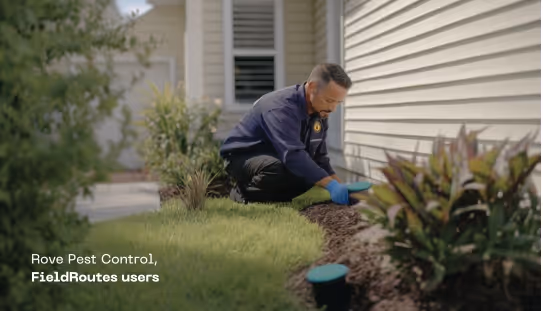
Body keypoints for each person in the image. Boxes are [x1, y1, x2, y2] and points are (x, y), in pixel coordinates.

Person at [219, 63, 352, 205]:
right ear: (313, 87)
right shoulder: (281, 107)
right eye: (329, 100)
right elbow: (292, 154)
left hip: (276, 156)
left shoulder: (320, 110)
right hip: (243, 156)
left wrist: (339, 185)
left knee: (311, 174)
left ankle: (274, 197)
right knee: (282, 169)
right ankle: (243, 193)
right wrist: (330, 185)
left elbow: (319, 158)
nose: (333, 108)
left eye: (338, 103)